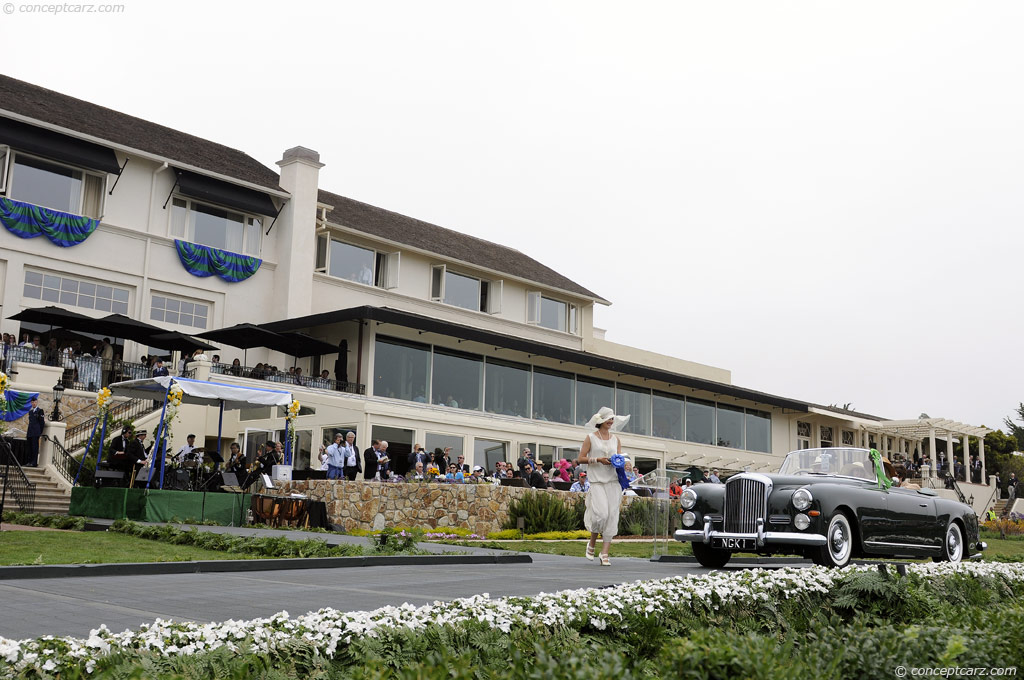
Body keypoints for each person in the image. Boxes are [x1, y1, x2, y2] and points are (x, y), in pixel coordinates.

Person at [579, 406, 629, 566]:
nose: (611, 421)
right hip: (597, 481)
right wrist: (597, 459)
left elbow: (619, 458)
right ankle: (592, 542)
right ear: (601, 420)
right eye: (608, 418)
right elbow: (580, 459)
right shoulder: (591, 437)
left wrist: (624, 464)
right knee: (601, 514)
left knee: (612, 517)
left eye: (612, 419)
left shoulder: (616, 439)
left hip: (613, 481)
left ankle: (605, 552)